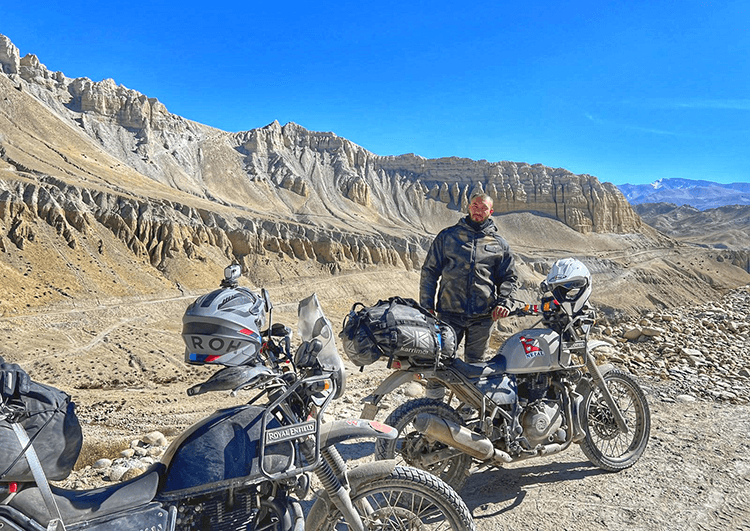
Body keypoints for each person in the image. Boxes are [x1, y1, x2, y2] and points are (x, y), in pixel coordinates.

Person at [420, 193, 519, 368]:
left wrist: (504, 303)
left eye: (483, 208)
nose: (478, 211)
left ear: (491, 212)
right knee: (439, 362)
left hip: (483, 317)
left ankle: (469, 396)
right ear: (468, 206)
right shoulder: (447, 237)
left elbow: (509, 277)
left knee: (475, 366)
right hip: (448, 314)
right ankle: (433, 396)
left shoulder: (499, 244)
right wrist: (426, 305)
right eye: (475, 206)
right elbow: (430, 271)